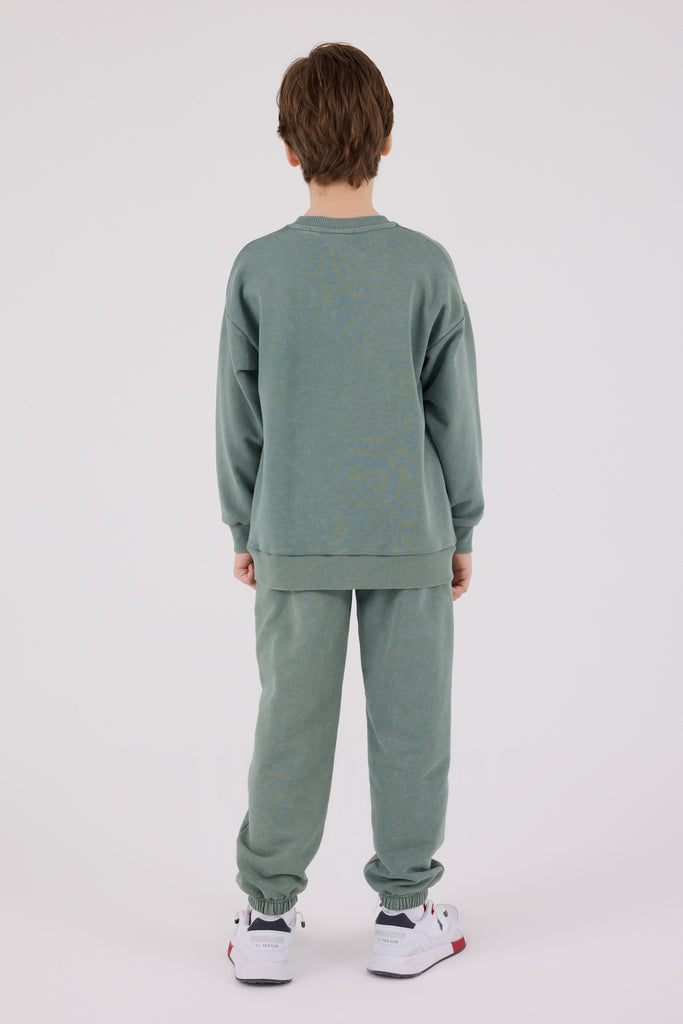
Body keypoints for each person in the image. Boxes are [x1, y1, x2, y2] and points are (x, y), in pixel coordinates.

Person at [217, 41, 484, 984]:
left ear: (289, 147)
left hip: (292, 534)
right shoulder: (424, 266)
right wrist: (460, 526)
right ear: (386, 141)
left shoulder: (259, 269)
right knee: (412, 726)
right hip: (410, 536)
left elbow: (239, 415)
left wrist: (243, 525)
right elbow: (454, 412)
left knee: (289, 724)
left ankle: (266, 920)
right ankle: (405, 915)